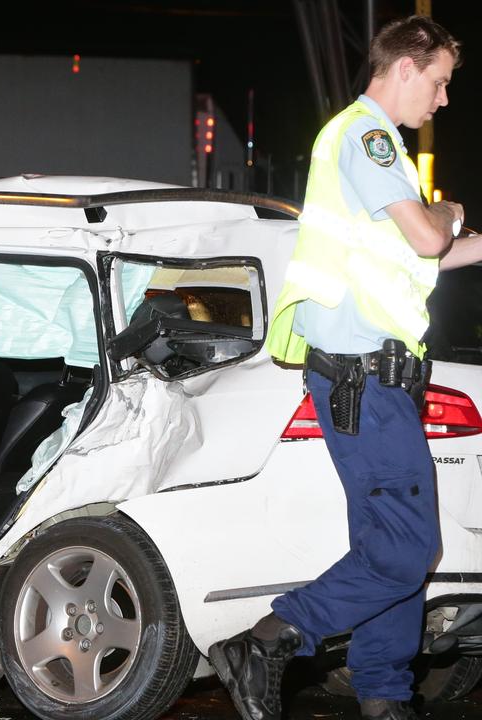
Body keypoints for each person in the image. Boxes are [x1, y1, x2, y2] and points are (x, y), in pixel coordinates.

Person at [208, 16, 482, 720]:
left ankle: (385, 695)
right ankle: (272, 636)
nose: (445, 99)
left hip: (372, 378)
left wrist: (460, 238)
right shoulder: (366, 136)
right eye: (441, 81)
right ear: (405, 68)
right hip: (363, 378)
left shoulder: (367, 146)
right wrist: (448, 210)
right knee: (409, 547)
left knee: (389, 543)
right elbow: (428, 233)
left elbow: (417, 256)